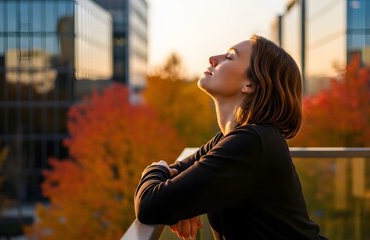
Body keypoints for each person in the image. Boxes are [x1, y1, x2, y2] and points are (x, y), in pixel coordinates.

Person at [134, 35, 325, 240]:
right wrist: (178, 201)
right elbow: (172, 186)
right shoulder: (231, 139)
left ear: (250, 85)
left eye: (230, 57)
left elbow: (150, 204)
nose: (213, 58)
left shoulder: (252, 142)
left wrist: (153, 168)